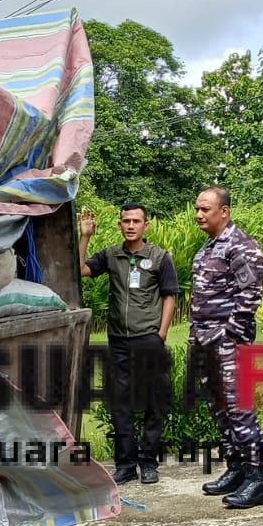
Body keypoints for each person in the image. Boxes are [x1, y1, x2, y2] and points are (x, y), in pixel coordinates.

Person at [79, 202, 180, 485]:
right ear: (119, 225)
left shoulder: (159, 257)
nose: (131, 225)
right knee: (119, 402)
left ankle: (148, 462)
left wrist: (161, 334)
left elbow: (170, 296)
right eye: (126, 221)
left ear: (146, 226)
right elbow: (80, 270)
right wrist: (85, 236)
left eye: (136, 221)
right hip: (119, 340)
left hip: (148, 338)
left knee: (153, 401)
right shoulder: (111, 255)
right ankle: (125, 464)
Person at [189, 187, 263, 509]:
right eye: (197, 209)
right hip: (205, 341)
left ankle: (257, 480)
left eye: (205, 209)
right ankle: (236, 469)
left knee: (239, 408)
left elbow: (250, 295)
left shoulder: (240, 246)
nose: (199, 215)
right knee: (219, 408)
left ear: (224, 211)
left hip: (228, 343)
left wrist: (230, 336)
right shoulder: (208, 248)